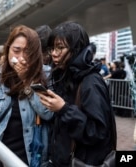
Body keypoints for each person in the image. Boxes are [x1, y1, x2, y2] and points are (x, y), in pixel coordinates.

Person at [0, 25, 53, 166]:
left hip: (29, 157)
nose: (21, 57)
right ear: (8, 49)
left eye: (27, 52)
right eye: (16, 50)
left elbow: (47, 113)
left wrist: (26, 82)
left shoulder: (47, 74)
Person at [36, 21, 117, 166]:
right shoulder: (65, 76)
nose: (54, 54)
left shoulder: (91, 83)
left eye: (60, 48)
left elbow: (98, 133)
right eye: (52, 48)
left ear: (76, 49)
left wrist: (64, 109)